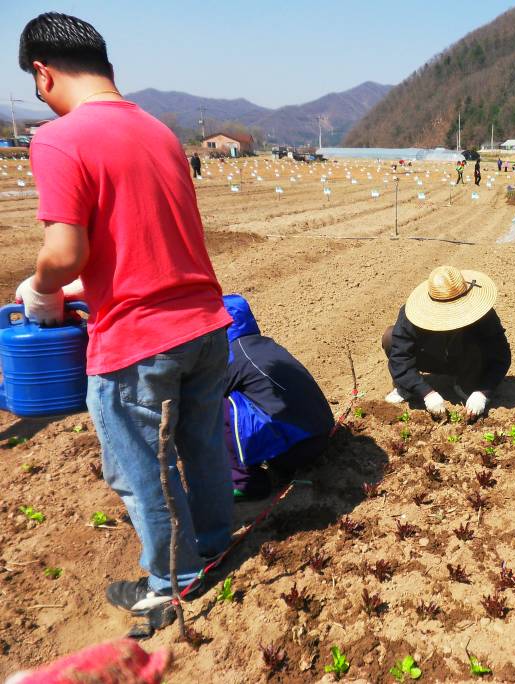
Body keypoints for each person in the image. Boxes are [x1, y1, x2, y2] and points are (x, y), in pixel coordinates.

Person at [17, 12, 234, 615]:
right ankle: (215, 545)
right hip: (205, 324)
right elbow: (142, 241)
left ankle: (173, 584)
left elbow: (64, 253)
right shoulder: (158, 131)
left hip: (140, 343)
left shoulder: (59, 138)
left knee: (142, 471)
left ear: (43, 73)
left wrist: (40, 290)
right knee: (202, 448)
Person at [222, 294, 334, 500]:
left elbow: (203, 399)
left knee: (218, 405)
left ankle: (245, 482)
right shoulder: (265, 345)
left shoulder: (232, 357)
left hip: (294, 453)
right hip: (323, 433)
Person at [382, 266, 511, 420]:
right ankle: (407, 387)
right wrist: (426, 392)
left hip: (466, 359)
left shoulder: (484, 315)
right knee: (390, 337)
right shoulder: (410, 315)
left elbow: (500, 356)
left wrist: (483, 392)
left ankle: (467, 384)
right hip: (432, 356)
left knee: (478, 351)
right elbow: (400, 357)